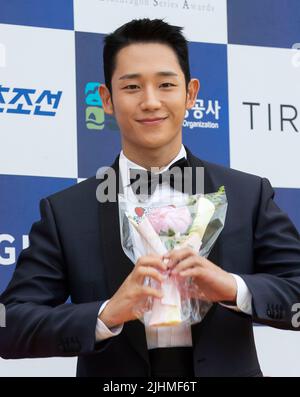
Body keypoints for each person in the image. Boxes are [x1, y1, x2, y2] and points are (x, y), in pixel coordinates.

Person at [1, 18, 300, 377]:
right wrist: (107, 313)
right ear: (106, 99)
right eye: (132, 87)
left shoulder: (248, 195)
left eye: (166, 84)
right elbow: (10, 326)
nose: (151, 101)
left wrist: (234, 288)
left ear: (190, 93)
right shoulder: (67, 212)